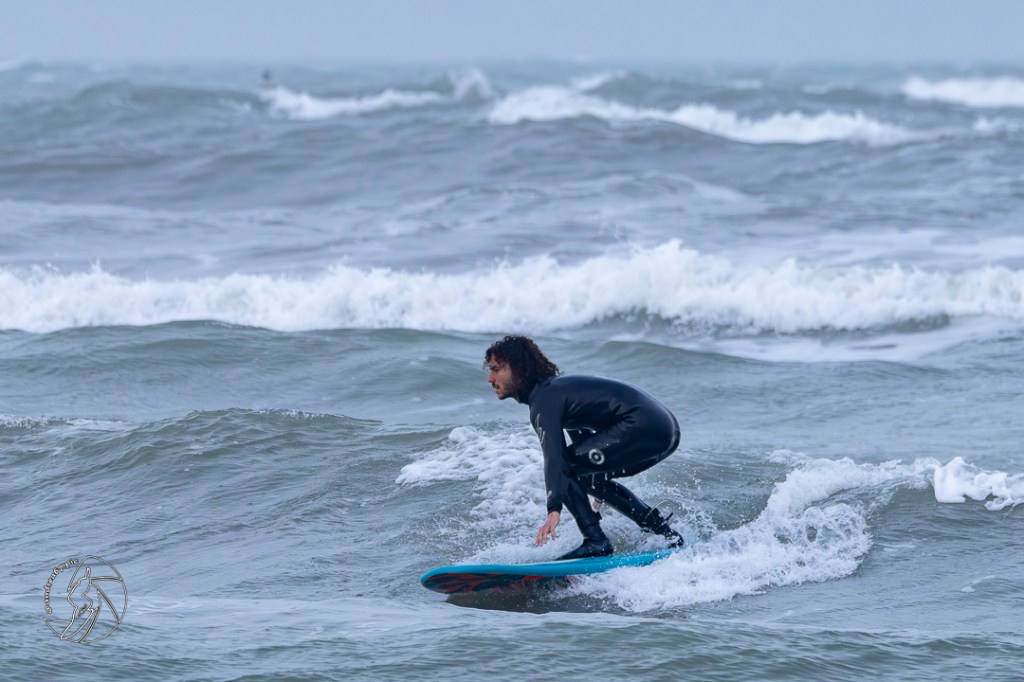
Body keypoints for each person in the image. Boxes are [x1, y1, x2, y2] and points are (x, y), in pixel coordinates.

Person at [485, 335, 683, 560]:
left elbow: (555, 458)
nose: (490, 379)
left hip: (642, 426)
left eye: (496, 369)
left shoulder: (544, 400)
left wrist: (554, 508)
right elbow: (583, 446)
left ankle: (595, 540)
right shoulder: (554, 391)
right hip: (663, 430)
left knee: (566, 467)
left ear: (519, 368)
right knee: (582, 473)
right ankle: (662, 532)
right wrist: (598, 481)